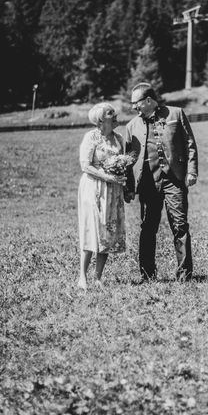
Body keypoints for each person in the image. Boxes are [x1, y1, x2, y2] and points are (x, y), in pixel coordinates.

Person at [124, 82, 198, 282]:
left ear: (148, 100)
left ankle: (184, 275)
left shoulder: (175, 114)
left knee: (180, 226)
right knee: (148, 227)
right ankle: (147, 275)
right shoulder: (131, 127)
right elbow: (128, 161)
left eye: (136, 103)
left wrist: (191, 171)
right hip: (148, 183)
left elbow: (190, 144)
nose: (134, 107)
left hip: (174, 180)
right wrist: (129, 188)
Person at [77, 102, 127, 289]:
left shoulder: (119, 138)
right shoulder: (91, 137)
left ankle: (98, 278)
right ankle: (82, 277)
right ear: (100, 120)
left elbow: (123, 163)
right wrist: (107, 176)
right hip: (94, 188)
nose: (115, 115)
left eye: (114, 112)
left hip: (113, 191)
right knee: (92, 229)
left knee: (107, 231)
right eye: (110, 113)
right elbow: (85, 165)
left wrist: (121, 175)